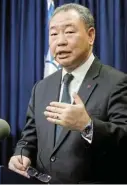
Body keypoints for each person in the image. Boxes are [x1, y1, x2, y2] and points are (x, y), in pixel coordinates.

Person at [8, 3, 127, 184]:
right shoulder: (41, 88)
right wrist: (20, 154)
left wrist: (87, 126)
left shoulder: (117, 82)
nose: (60, 41)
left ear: (91, 36)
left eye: (69, 32)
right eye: (53, 34)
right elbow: (29, 138)